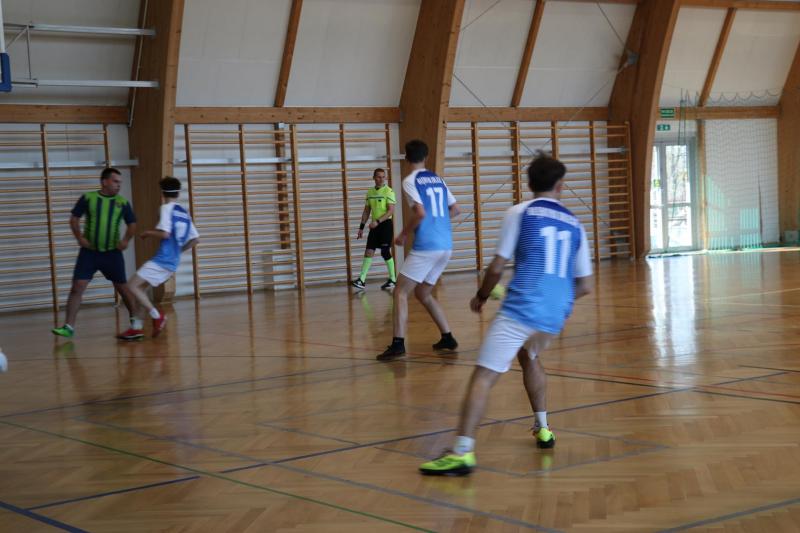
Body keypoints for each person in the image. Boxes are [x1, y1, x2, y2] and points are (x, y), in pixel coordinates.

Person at [418, 153, 593, 476]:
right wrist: (557, 302)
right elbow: (585, 285)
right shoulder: (575, 224)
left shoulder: (520, 213)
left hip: (522, 309)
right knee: (529, 355)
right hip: (554, 317)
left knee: (483, 376)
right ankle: (543, 428)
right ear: (560, 186)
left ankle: (461, 453)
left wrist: (481, 296)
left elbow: (497, 267)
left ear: (529, 183)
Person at [377, 140, 460, 361]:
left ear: (406, 158)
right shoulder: (438, 179)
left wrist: (403, 234)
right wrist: (438, 223)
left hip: (427, 246)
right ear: (427, 157)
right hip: (445, 246)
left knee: (400, 291)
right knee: (422, 292)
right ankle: (448, 337)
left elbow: (420, 213)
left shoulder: (410, 181)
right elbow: (455, 209)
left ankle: (398, 344)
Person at [52, 168, 138, 338]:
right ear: (104, 181)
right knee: (77, 286)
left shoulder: (122, 202)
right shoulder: (88, 198)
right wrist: (79, 238)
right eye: (115, 181)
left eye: (120, 182)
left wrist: (126, 240)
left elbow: (132, 224)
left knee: (123, 288)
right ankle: (68, 327)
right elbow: (74, 219)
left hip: (112, 254)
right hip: (89, 253)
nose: (118, 185)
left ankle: (136, 323)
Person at [117, 177, 199, 340]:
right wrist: (178, 251)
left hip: (162, 260)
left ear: (162, 193)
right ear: (178, 193)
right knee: (141, 291)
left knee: (131, 286)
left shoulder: (166, 208)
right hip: (172, 263)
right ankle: (136, 328)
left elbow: (165, 234)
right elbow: (195, 240)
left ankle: (157, 316)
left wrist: (148, 233)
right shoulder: (183, 212)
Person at [351, 168, 397, 291]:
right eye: (378, 177)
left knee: (385, 252)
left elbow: (391, 211)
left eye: (383, 177)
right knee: (369, 251)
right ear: (374, 178)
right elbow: (366, 211)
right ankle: (362, 280)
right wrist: (361, 227)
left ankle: (393, 279)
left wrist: (377, 221)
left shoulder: (389, 191)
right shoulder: (370, 192)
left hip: (385, 225)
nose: (381, 179)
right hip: (374, 226)